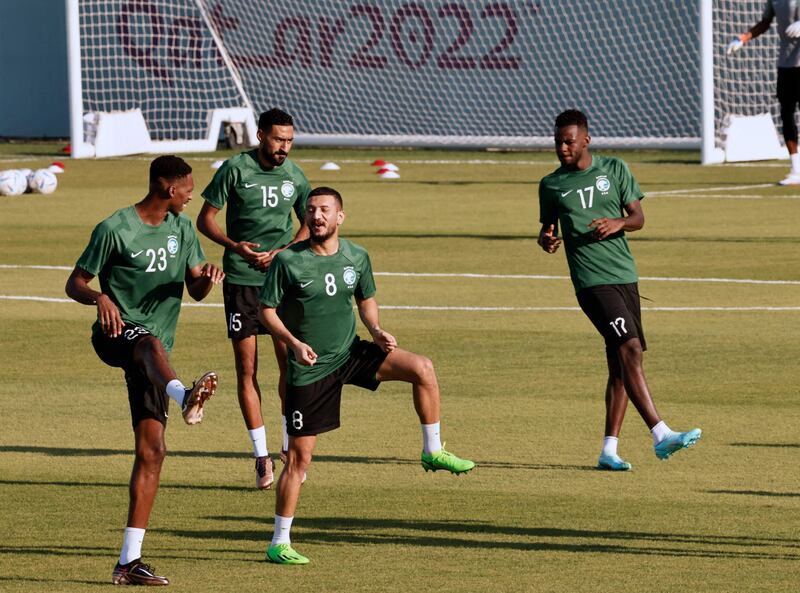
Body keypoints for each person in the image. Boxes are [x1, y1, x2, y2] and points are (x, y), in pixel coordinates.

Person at [259, 187, 475, 564]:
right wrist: (293, 343)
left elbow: (365, 299)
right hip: (310, 369)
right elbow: (266, 311)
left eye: (324, 210)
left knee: (422, 368)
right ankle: (279, 541)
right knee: (299, 461)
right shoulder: (288, 262)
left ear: (340, 217)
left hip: (350, 353)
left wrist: (375, 329)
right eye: (311, 210)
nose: (316, 216)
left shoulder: (357, 256)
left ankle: (433, 450)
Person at [65, 155, 225, 585]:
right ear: (167, 188)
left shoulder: (182, 229)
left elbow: (193, 288)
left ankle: (128, 562)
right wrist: (98, 296)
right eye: (188, 188)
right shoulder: (114, 228)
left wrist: (207, 279)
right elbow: (74, 282)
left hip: (157, 360)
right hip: (115, 336)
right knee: (147, 340)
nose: (193, 194)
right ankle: (185, 395)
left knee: (152, 451)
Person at [537, 110, 701, 472]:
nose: (562, 148)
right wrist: (547, 240)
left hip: (625, 275)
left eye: (568, 141)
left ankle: (608, 450)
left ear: (586, 140)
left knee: (620, 365)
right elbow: (547, 229)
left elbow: (638, 218)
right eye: (557, 142)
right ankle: (661, 433)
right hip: (591, 283)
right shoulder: (551, 184)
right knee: (629, 348)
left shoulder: (614, 170)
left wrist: (618, 223)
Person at [198, 108, 311, 490]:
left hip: (280, 280)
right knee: (248, 370)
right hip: (242, 281)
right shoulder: (235, 169)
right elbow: (206, 219)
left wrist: (285, 251)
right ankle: (261, 457)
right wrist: (235, 247)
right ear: (261, 135)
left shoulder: (294, 175)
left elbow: (310, 221)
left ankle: (286, 445)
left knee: (289, 365)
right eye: (279, 139)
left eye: (290, 141)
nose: (284, 148)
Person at [727, 1, 800, 185]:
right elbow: (765, 22)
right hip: (786, 64)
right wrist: (742, 38)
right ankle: (796, 169)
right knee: (786, 113)